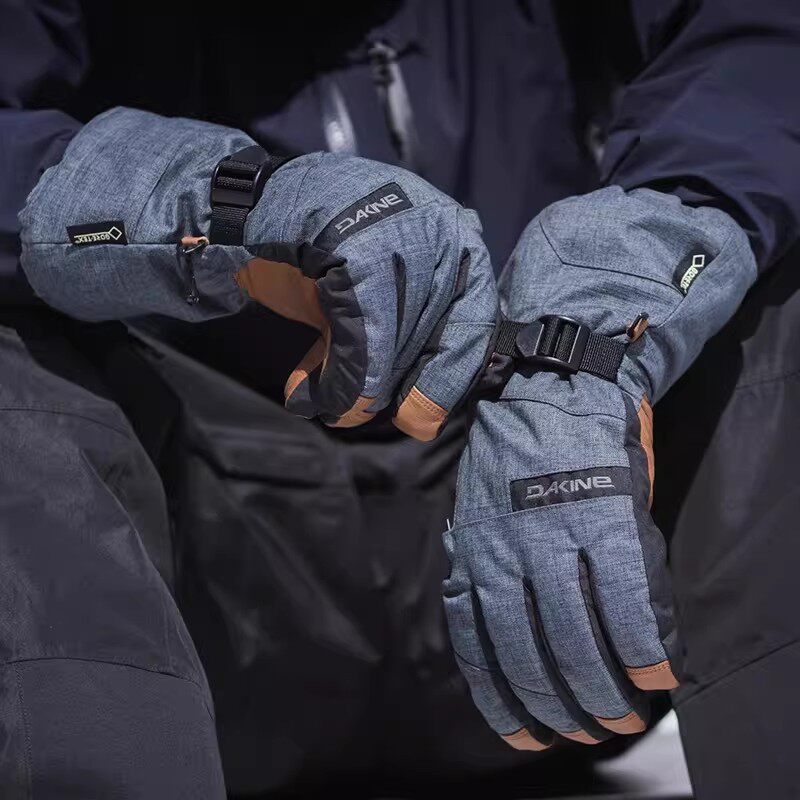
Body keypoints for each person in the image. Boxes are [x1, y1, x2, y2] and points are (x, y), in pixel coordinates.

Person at [1, 2, 799, 798]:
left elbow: (757, 47)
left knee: (767, 288)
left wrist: (604, 317)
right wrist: (215, 206)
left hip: (561, 612)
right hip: (204, 598)